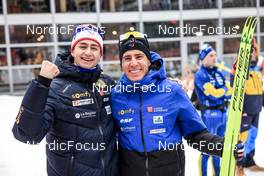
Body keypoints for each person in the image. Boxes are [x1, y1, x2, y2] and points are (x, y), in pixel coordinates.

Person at [110, 31, 243, 176]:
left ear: (148, 60)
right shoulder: (116, 96)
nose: (133, 63)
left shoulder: (172, 91)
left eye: (139, 56)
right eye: (127, 58)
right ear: (121, 63)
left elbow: (195, 134)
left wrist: (224, 147)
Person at [12, 24, 119, 176]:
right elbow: (27, 134)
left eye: (94, 48)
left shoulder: (107, 83)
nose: (88, 52)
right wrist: (41, 84)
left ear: (100, 54)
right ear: (73, 50)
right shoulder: (55, 87)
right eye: (83, 46)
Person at [194, 44, 232, 176]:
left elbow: (230, 90)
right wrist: (224, 91)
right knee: (206, 150)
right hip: (209, 115)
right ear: (203, 58)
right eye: (211, 55)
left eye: (215, 55)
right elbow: (213, 94)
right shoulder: (200, 74)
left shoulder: (218, 72)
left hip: (223, 113)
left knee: (219, 148)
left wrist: (223, 91)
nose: (214, 57)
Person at [231, 40, 264, 175]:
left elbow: (259, 89)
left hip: (256, 108)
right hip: (245, 109)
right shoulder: (239, 67)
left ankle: (249, 162)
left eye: (254, 50)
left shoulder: (256, 68)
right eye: (250, 51)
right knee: (243, 137)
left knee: (253, 136)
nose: (253, 53)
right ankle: (238, 166)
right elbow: (234, 88)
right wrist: (241, 109)